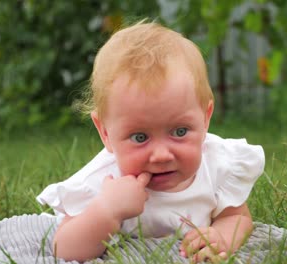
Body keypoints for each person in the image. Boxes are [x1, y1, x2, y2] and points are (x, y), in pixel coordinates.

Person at [37, 20, 265, 263]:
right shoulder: (105, 183)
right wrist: (107, 211)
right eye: (140, 137)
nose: (161, 155)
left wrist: (221, 237)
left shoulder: (217, 163)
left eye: (179, 132)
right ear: (105, 132)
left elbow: (237, 217)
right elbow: (63, 249)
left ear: (205, 118)